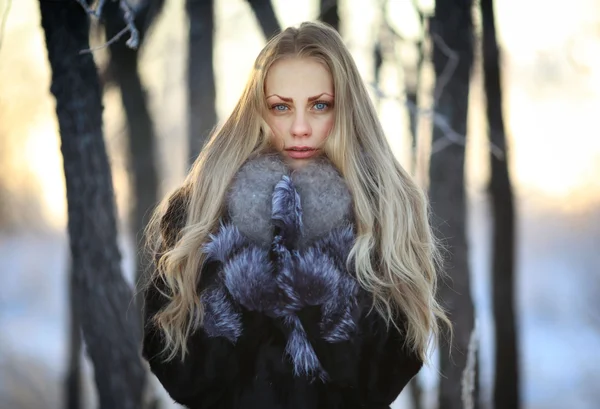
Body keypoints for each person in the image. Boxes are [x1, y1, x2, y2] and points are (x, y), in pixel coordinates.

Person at [142, 20, 450, 409]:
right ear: (258, 111)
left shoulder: (384, 210)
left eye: (320, 105)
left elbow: (379, 381)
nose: (300, 128)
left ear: (346, 110)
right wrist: (246, 272)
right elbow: (180, 372)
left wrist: (315, 280)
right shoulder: (200, 208)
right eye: (281, 107)